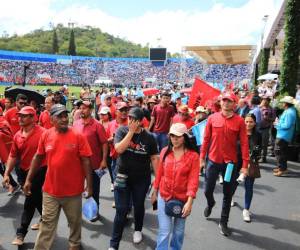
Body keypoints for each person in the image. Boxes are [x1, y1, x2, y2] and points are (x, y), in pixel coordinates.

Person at [23, 104, 93, 250]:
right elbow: (38, 156)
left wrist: (90, 186)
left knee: (74, 223)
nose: (64, 119)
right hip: (50, 191)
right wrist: (29, 179)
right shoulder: (46, 135)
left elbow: (86, 161)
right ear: (52, 119)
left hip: (73, 192)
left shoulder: (78, 136)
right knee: (47, 224)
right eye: (59, 116)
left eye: (65, 115)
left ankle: (74, 245)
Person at [109, 107, 159, 250]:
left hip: (141, 178)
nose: (131, 121)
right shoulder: (122, 131)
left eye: (134, 119)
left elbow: (154, 158)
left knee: (138, 205)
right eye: (129, 118)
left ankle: (138, 229)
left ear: (141, 121)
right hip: (122, 176)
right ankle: (113, 244)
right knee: (121, 209)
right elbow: (119, 149)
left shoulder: (149, 137)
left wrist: (158, 181)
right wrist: (131, 132)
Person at [200, 92, 249, 236]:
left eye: (230, 101)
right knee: (207, 190)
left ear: (234, 104)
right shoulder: (212, 118)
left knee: (228, 194)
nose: (226, 103)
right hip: (213, 161)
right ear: (220, 103)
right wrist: (202, 158)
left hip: (230, 164)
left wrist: (245, 165)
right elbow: (206, 139)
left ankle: (224, 222)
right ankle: (210, 203)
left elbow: (245, 144)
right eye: (224, 101)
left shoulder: (240, 121)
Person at [2, 106, 46, 246]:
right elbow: (13, 155)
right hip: (23, 172)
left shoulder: (44, 133)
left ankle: (21, 233)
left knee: (29, 201)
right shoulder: (17, 135)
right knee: (36, 200)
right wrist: (7, 173)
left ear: (33, 118)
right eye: (19, 115)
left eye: (24, 116)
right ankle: (45, 219)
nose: (20, 118)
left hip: (40, 171)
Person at [152, 123, 200, 250]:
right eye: (172, 136)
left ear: (184, 137)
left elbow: (193, 181)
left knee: (178, 232)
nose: (174, 139)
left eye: (178, 136)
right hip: (164, 196)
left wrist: (189, 202)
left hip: (182, 200)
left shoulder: (193, 156)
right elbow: (159, 174)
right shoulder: (164, 152)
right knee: (164, 231)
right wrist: (154, 191)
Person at [73, 100, 108, 221]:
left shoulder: (97, 125)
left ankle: (94, 211)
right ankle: (75, 214)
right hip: (77, 163)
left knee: (94, 189)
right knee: (76, 189)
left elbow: (104, 143)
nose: (82, 110)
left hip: (94, 163)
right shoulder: (76, 123)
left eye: (85, 108)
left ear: (91, 110)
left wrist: (104, 160)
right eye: (80, 108)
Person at [231, 113, 262, 222]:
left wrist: (255, 155)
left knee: (249, 187)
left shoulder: (258, 135)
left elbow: (259, 150)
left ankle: (246, 210)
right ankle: (231, 197)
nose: (248, 124)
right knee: (233, 183)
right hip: (236, 162)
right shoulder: (238, 133)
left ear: (254, 123)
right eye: (246, 121)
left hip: (249, 164)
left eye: (251, 122)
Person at [273, 96, 297, 177]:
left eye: (283, 102)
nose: (282, 104)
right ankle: (282, 167)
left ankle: (282, 169)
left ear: (286, 104)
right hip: (283, 135)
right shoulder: (290, 110)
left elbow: (287, 125)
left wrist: (277, 124)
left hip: (283, 135)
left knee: (278, 152)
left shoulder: (290, 112)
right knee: (281, 152)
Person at [259, 96, 275, 163]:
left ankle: (263, 157)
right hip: (257, 128)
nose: (264, 101)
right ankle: (257, 156)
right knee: (257, 143)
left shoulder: (271, 109)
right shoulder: (259, 108)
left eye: (266, 100)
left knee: (264, 144)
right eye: (263, 100)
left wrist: (267, 118)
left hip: (265, 128)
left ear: (269, 101)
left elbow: (273, 118)